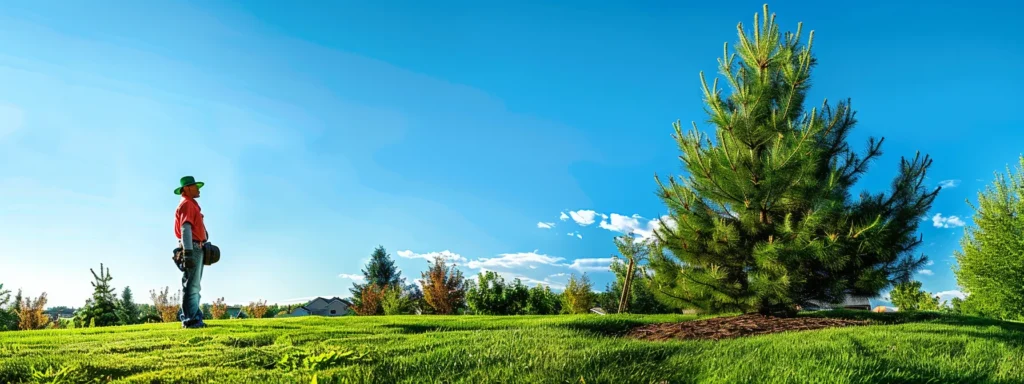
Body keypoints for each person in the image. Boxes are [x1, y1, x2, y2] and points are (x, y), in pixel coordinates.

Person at [173, 175, 209, 329]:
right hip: (192, 247)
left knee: (194, 285)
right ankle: (191, 320)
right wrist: (188, 252)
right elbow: (185, 228)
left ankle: (194, 316)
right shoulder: (187, 203)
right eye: (195, 186)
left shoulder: (191, 204)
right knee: (192, 286)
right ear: (187, 189)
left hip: (196, 246)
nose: (198, 189)